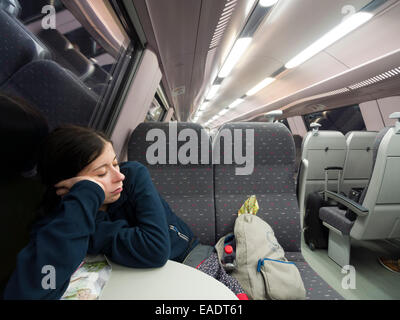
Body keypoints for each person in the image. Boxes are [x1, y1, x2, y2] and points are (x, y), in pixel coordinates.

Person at [4, 125, 199, 299]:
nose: (119, 176)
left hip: (187, 257)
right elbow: (38, 288)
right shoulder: (65, 217)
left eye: (115, 163)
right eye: (101, 173)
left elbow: (154, 250)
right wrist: (88, 194)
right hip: (136, 281)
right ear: (71, 185)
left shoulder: (132, 176)